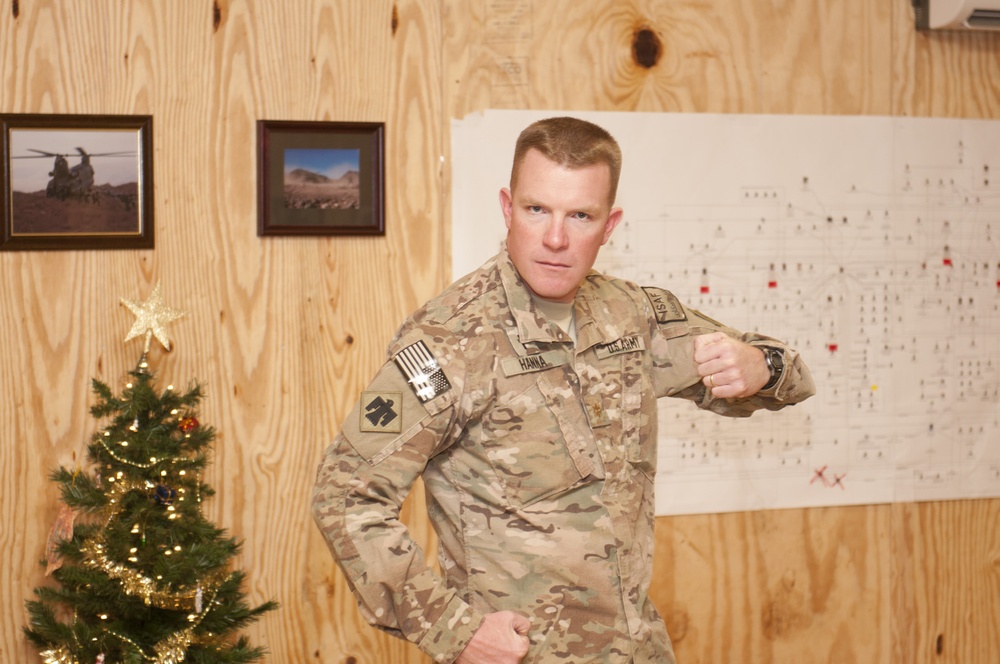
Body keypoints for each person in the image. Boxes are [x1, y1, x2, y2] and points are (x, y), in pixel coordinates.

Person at [312, 116, 816, 663]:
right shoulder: (449, 341)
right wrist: (453, 631)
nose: (555, 238)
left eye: (580, 215)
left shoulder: (632, 315)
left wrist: (759, 365)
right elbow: (344, 495)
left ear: (610, 223)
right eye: (537, 210)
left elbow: (782, 370)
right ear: (508, 208)